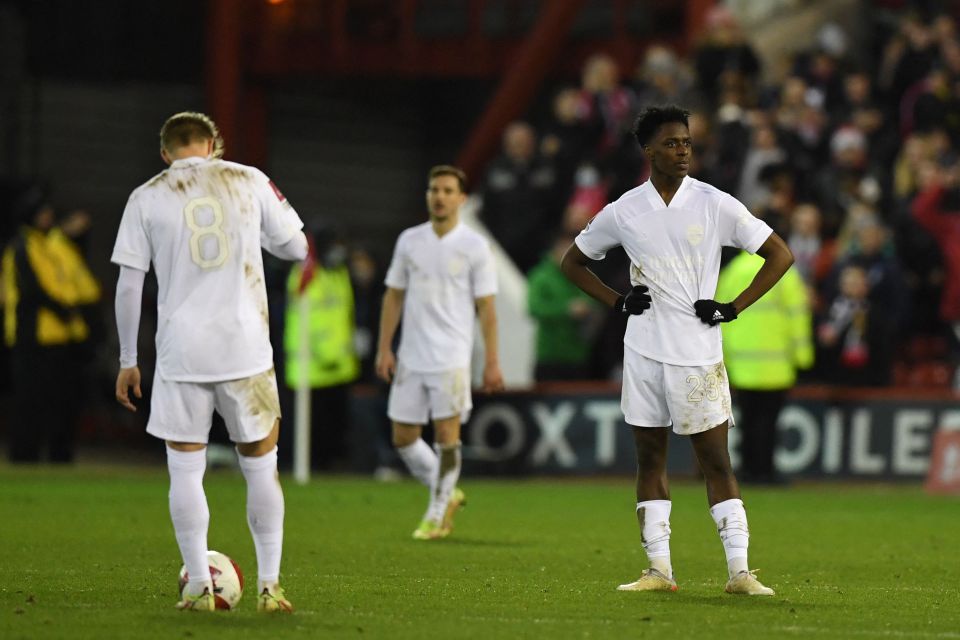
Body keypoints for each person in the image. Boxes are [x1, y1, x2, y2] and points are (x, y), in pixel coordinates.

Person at [561, 106, 793, 596]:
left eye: (686, 142)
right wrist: (618, 301)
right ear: (648, 151)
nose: (683, 150)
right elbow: (574, 262)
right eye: (671, 143)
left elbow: (780, 254)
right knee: (650, 462)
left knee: (716, 462)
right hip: (643, 351)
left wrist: (734, 307)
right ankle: (658, 572)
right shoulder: (624, 210)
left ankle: (740, 572)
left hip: (697, 353)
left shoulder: (714, 203)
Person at [112, 112, 306, 612]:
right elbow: (297, 246)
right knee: (262, 467)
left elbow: (130, 285)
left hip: (182, 353)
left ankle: (199, 585)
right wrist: (256, 236)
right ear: (213, 144)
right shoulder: (249, 179)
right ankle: (269, 586)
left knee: (185, 470)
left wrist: (129, 358)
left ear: (164, 153)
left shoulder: (146, 196)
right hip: (245, 349)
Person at [375, 164, 504, 540]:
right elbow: (394, 295)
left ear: (461, 199)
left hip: (450, 357)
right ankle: (445, 491)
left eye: (448, 191)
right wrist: (385, 348)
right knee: (402, 436)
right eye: (435, 190)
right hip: (411, 355)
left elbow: (487, 308)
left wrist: (492, 361)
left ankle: (436, 511)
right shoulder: (409, 241)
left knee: (446, 436)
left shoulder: (475, 247)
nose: (440, 196)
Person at [2, 187, 95, 463]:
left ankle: (53, 456)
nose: (47, 217)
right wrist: (62, 309)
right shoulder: (21, 247)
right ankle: (23, 456)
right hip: (30, 335)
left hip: (56, 336)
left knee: (56, 401)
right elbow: (32, 289)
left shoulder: (45, 245)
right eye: (42, 213)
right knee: (28, 400)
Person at [715, 251, 814, 484]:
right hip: (776, 364)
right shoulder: (785, 273)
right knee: (769, 421)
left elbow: (719, 315)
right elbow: (797, 316)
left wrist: (722, 357)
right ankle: (765, 471)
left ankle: (747, 470)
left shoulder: (733, 271)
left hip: (742, 363)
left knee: (747, 420)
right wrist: (803, 357)